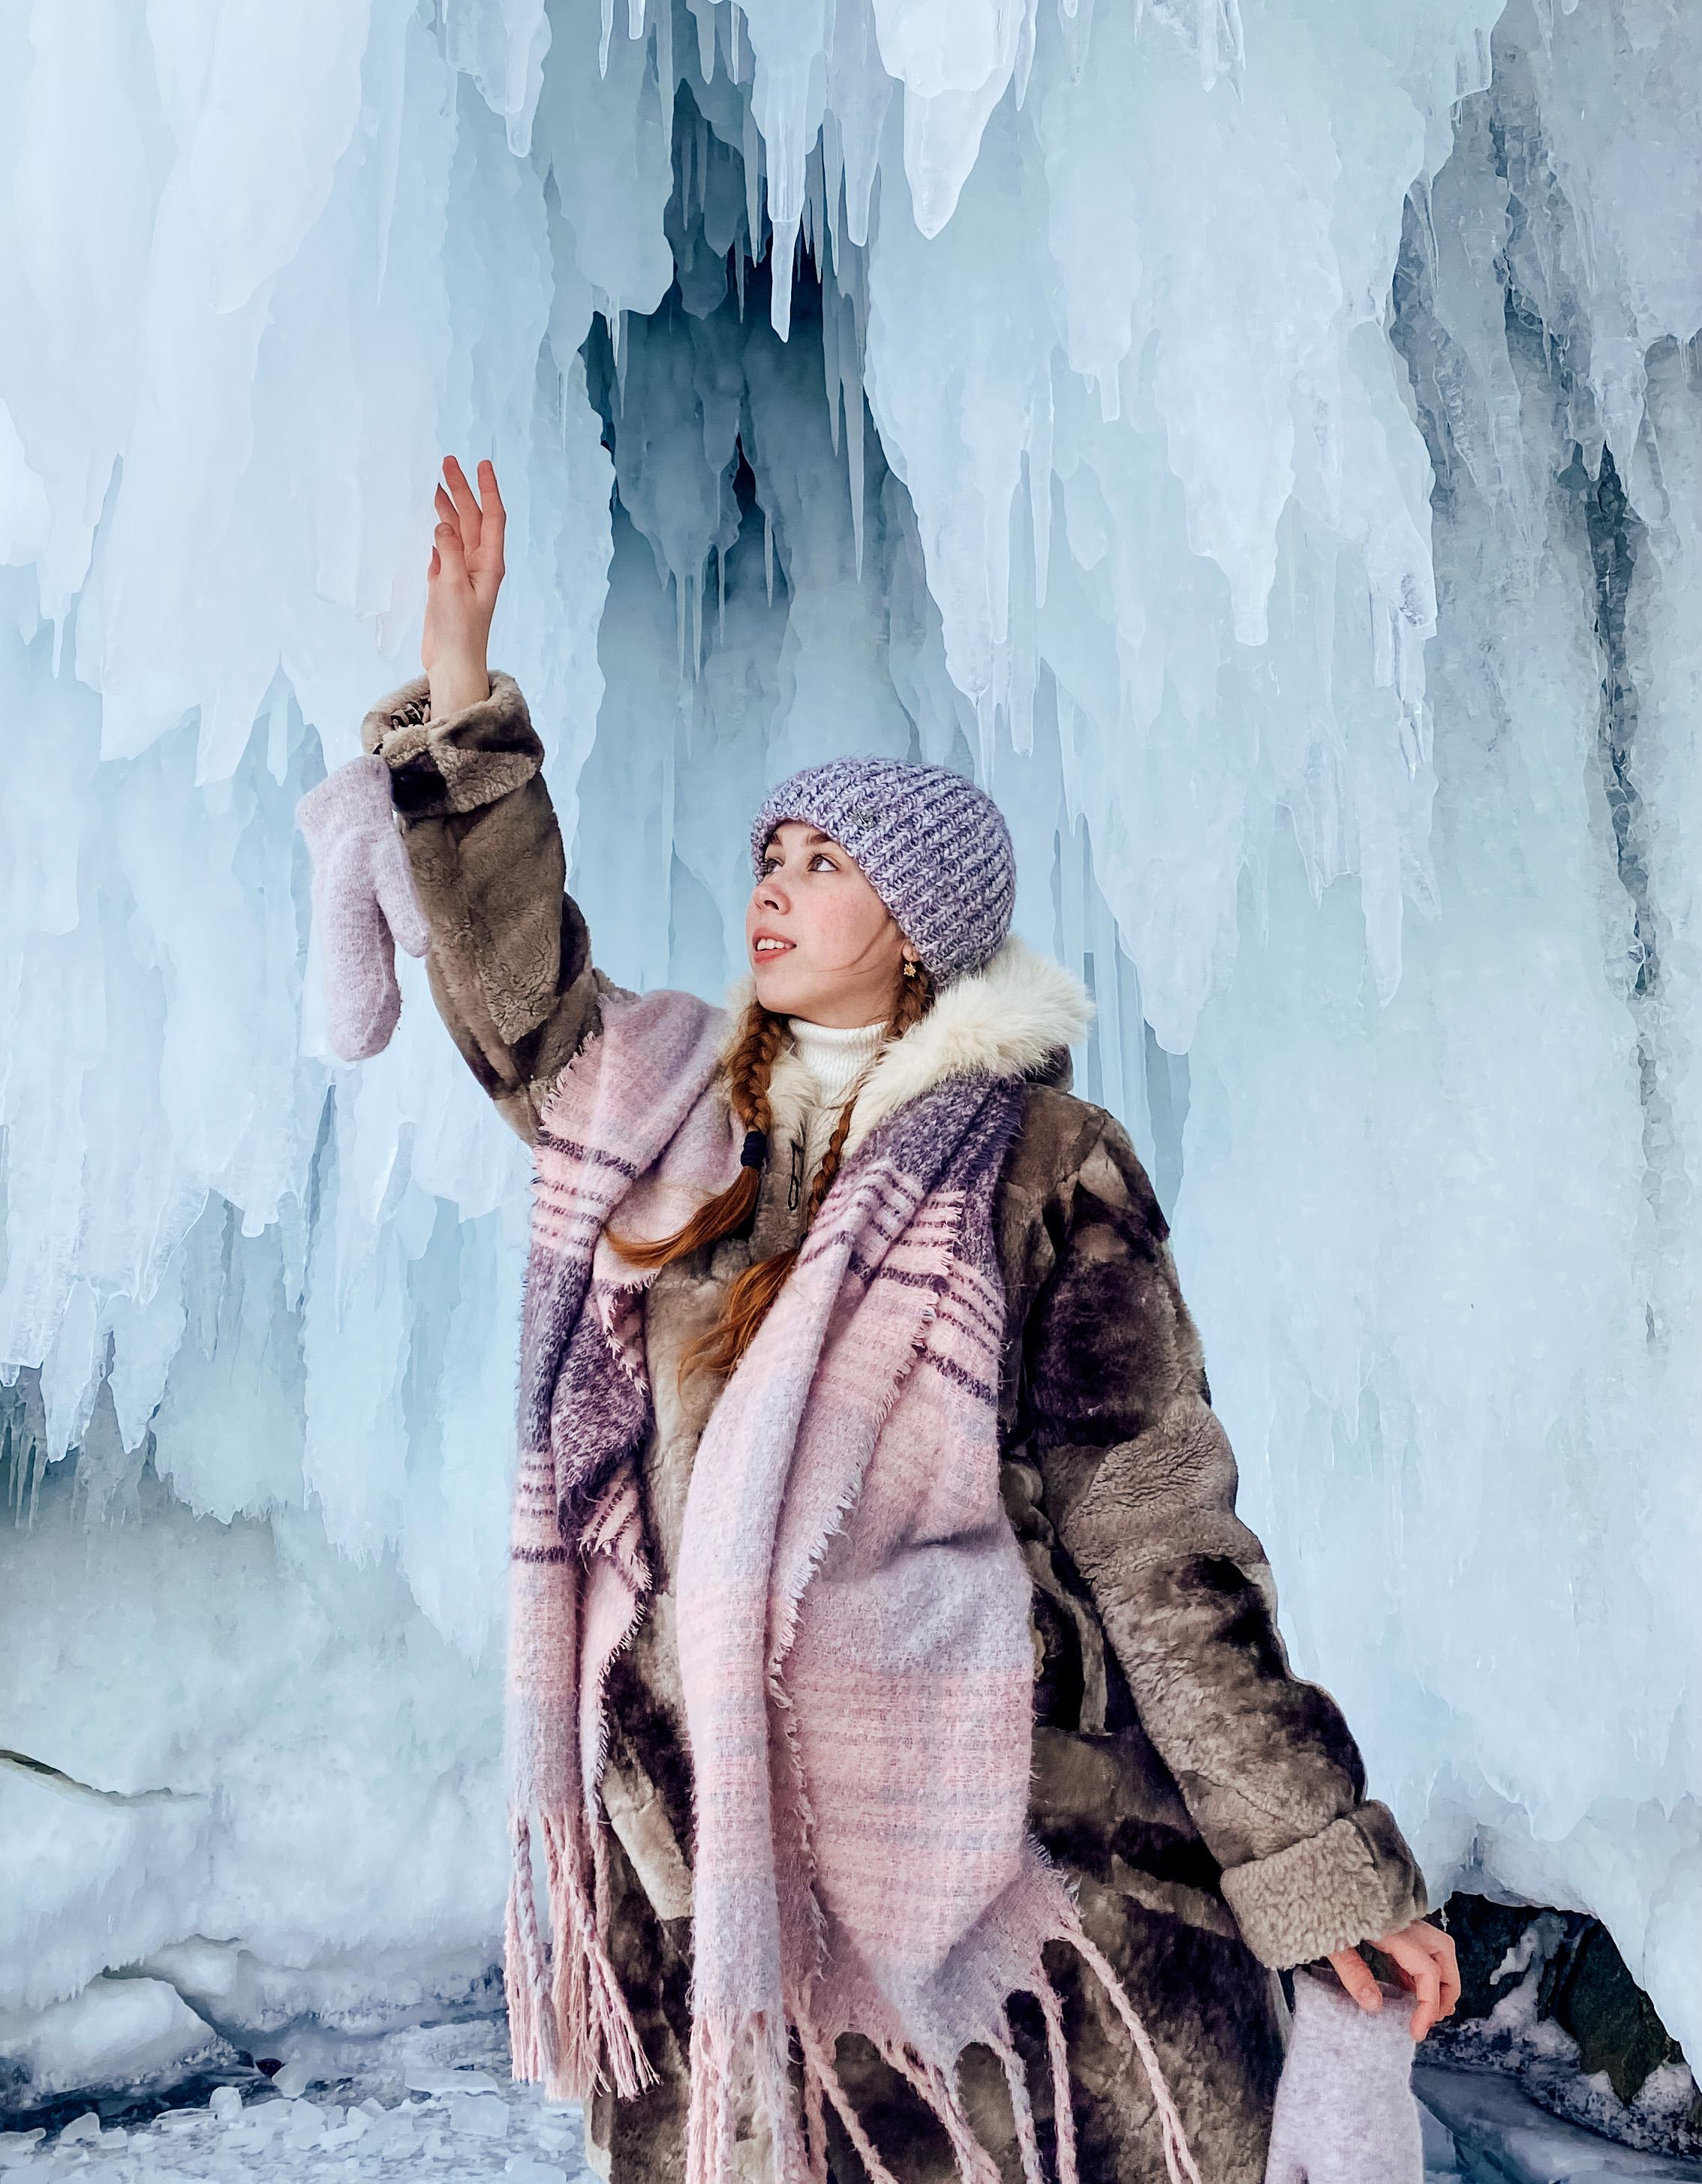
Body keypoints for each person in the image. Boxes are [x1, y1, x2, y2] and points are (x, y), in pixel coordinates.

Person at [357, 456, 1459, 2184]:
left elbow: (1159, 1538)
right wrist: (459, 689)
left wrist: (1316, 1862)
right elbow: (519, 1010)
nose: (774, 891)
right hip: (713, 1882)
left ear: (922, 929)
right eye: (768, 857)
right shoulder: (674, 1121)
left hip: (990, 1877)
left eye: (827, 865)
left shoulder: (1040, 1167)